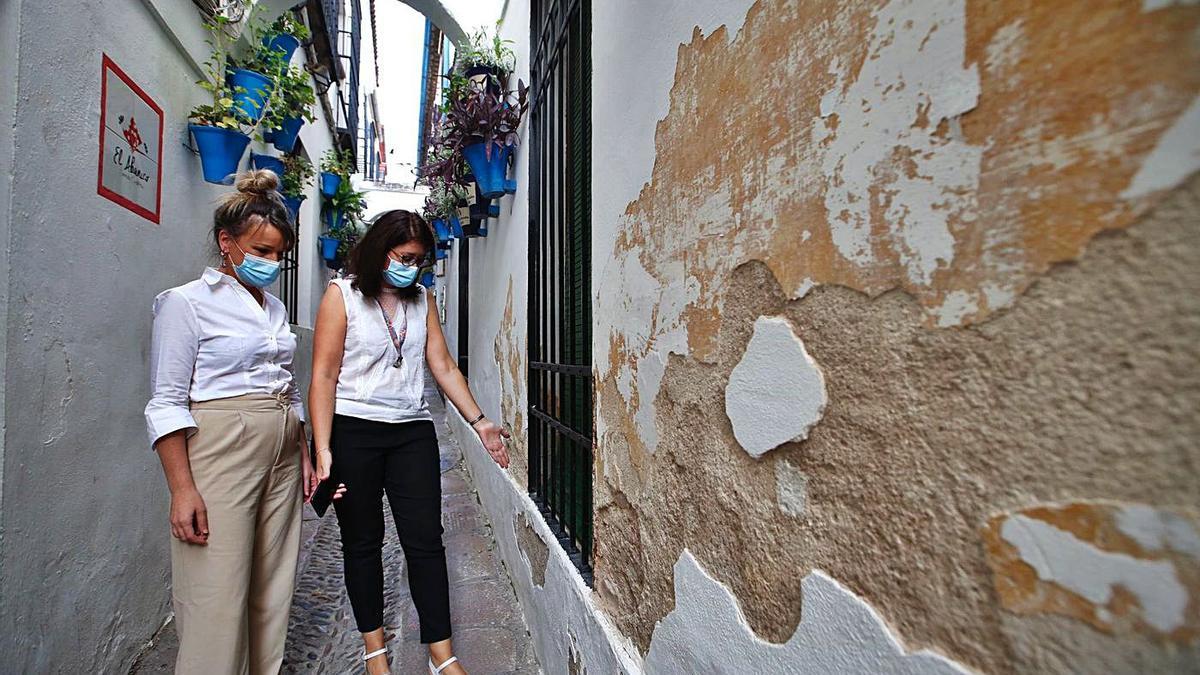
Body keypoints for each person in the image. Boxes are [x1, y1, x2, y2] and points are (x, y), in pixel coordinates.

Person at [144, 170, 333, 673]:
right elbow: (165, 402)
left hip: (282, 450)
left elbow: (287, 386)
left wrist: (306, 452)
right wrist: (182, 489)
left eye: (278, 254)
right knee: (216, 593)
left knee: (272, 587)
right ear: (226, 243)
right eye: (261, 250)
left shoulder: (272, 308)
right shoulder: (185, 304)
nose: (271, 263)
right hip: (221, 446)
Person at [308, 210, 510, 675]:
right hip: (354, 429)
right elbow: (323, 375)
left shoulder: (421, 299)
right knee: (362, 542)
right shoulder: (342, 296)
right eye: (404, 257)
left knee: (425, 541)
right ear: (381, 249)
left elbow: (441, 364)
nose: (411, 268)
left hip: (412, 432)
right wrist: (324, 449)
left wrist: (479, 421)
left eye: (419, 261)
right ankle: (375, 652)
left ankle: (443, 654)